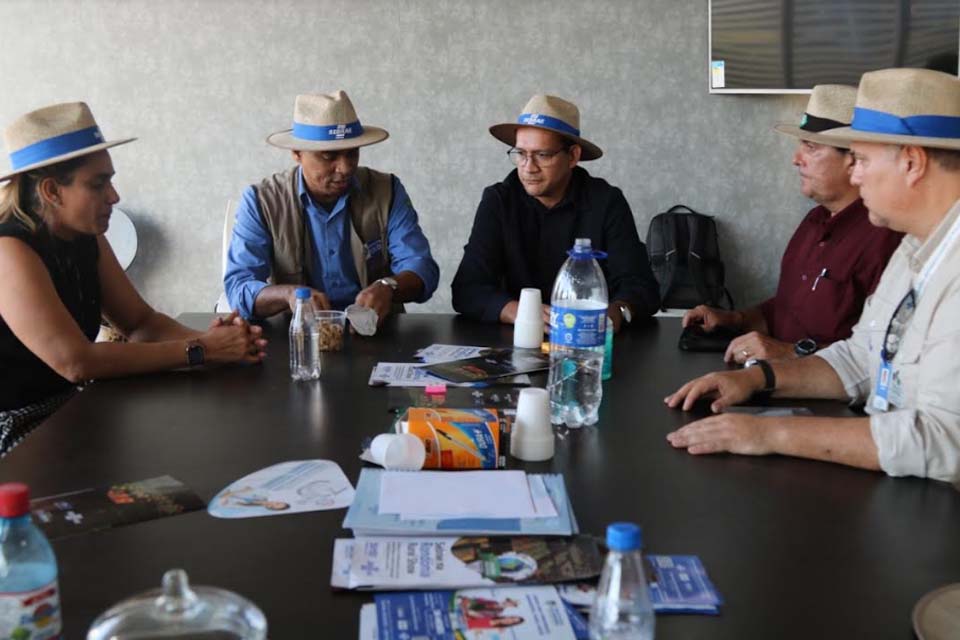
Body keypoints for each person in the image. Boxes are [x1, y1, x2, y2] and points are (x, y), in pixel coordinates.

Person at [665, 68, 960, 488]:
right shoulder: (915, 245)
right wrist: (756, 378)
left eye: (862, 160)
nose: (855, 175)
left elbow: (942, 440)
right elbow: (859, 358)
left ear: (912, 163)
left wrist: (770, 433)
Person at [0, 102, 266, 454]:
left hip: (69, 408)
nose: (114, 196)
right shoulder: (8, 249)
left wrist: (220, 343)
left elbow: (141, 323)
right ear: (52, 191)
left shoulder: (85, 235)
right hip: (15, 425)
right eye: (98, 184)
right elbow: (75, 362)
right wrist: (201, 350)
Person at [683, 84, 902, 364]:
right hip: (772, 378)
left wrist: (791, 353)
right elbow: (786, 311)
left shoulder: (885, 239)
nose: (796, 159)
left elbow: (881, 357)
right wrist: (735, 319)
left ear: (853, 160)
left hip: (822, 390)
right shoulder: (814, 221)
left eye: (811, 147)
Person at [224, 90, 439, 325]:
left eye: (352, 153)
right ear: (296, 153)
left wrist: (389, 286)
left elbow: (422, 267)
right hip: (294, 336)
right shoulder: (261, 201)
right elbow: (239, 288)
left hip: (377, 332)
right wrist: (290, 295)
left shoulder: (388, 191)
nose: (345, 168)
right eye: (329, 156)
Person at [451, 94, 660, 332]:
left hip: (590, 337)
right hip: (515, 338)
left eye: (542, 155)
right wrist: (519, 311)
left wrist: (618, 312)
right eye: (521, 154)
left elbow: (641, 287)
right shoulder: (498, 200)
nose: (528, 167)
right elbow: (467, 289)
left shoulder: (606, 202)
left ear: (573, 156)